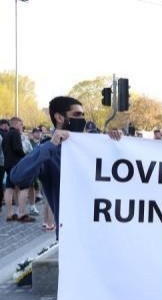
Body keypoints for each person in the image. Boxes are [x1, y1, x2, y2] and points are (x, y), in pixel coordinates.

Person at [10, 96, 122, 236]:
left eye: (83, 115)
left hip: (106, 231)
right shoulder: (48, 151)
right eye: (77, 114)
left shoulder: (92, 145)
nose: (82, 119)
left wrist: (118, 143)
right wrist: (51, 145)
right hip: (72, 236)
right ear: (59, 117)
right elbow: (17, 176)